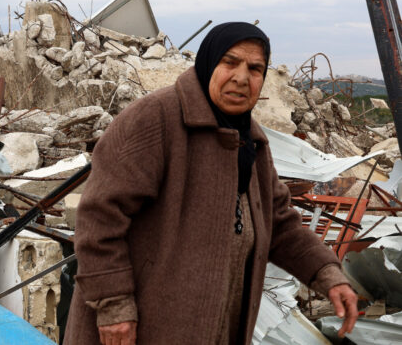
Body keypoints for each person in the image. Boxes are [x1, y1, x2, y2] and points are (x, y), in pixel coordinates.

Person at [63, 23, 358, 345]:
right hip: (142, 326)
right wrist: (114, 306)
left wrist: (329, 276)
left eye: (255, 68)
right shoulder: (154, 120)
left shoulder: (251, 142)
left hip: (217, 325)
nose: (241, 78)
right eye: (230, 63)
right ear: (208, 64)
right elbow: (98, 220)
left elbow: (279, 225)